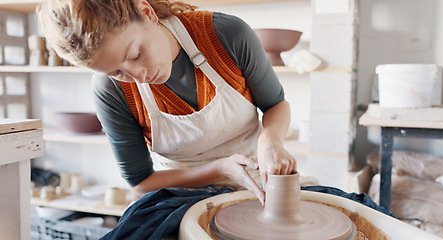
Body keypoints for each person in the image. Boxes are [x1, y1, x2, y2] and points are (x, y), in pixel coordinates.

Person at [38, 0, 297, 237]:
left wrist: (271, 141)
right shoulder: (110, 89)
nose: (139, 76)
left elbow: (275, 104)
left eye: (136, 54)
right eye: (117, 71)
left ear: (147, 13)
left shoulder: (226, 34)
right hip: (178, 192)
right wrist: (219, 169)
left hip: (258, 180)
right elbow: (141, 184)